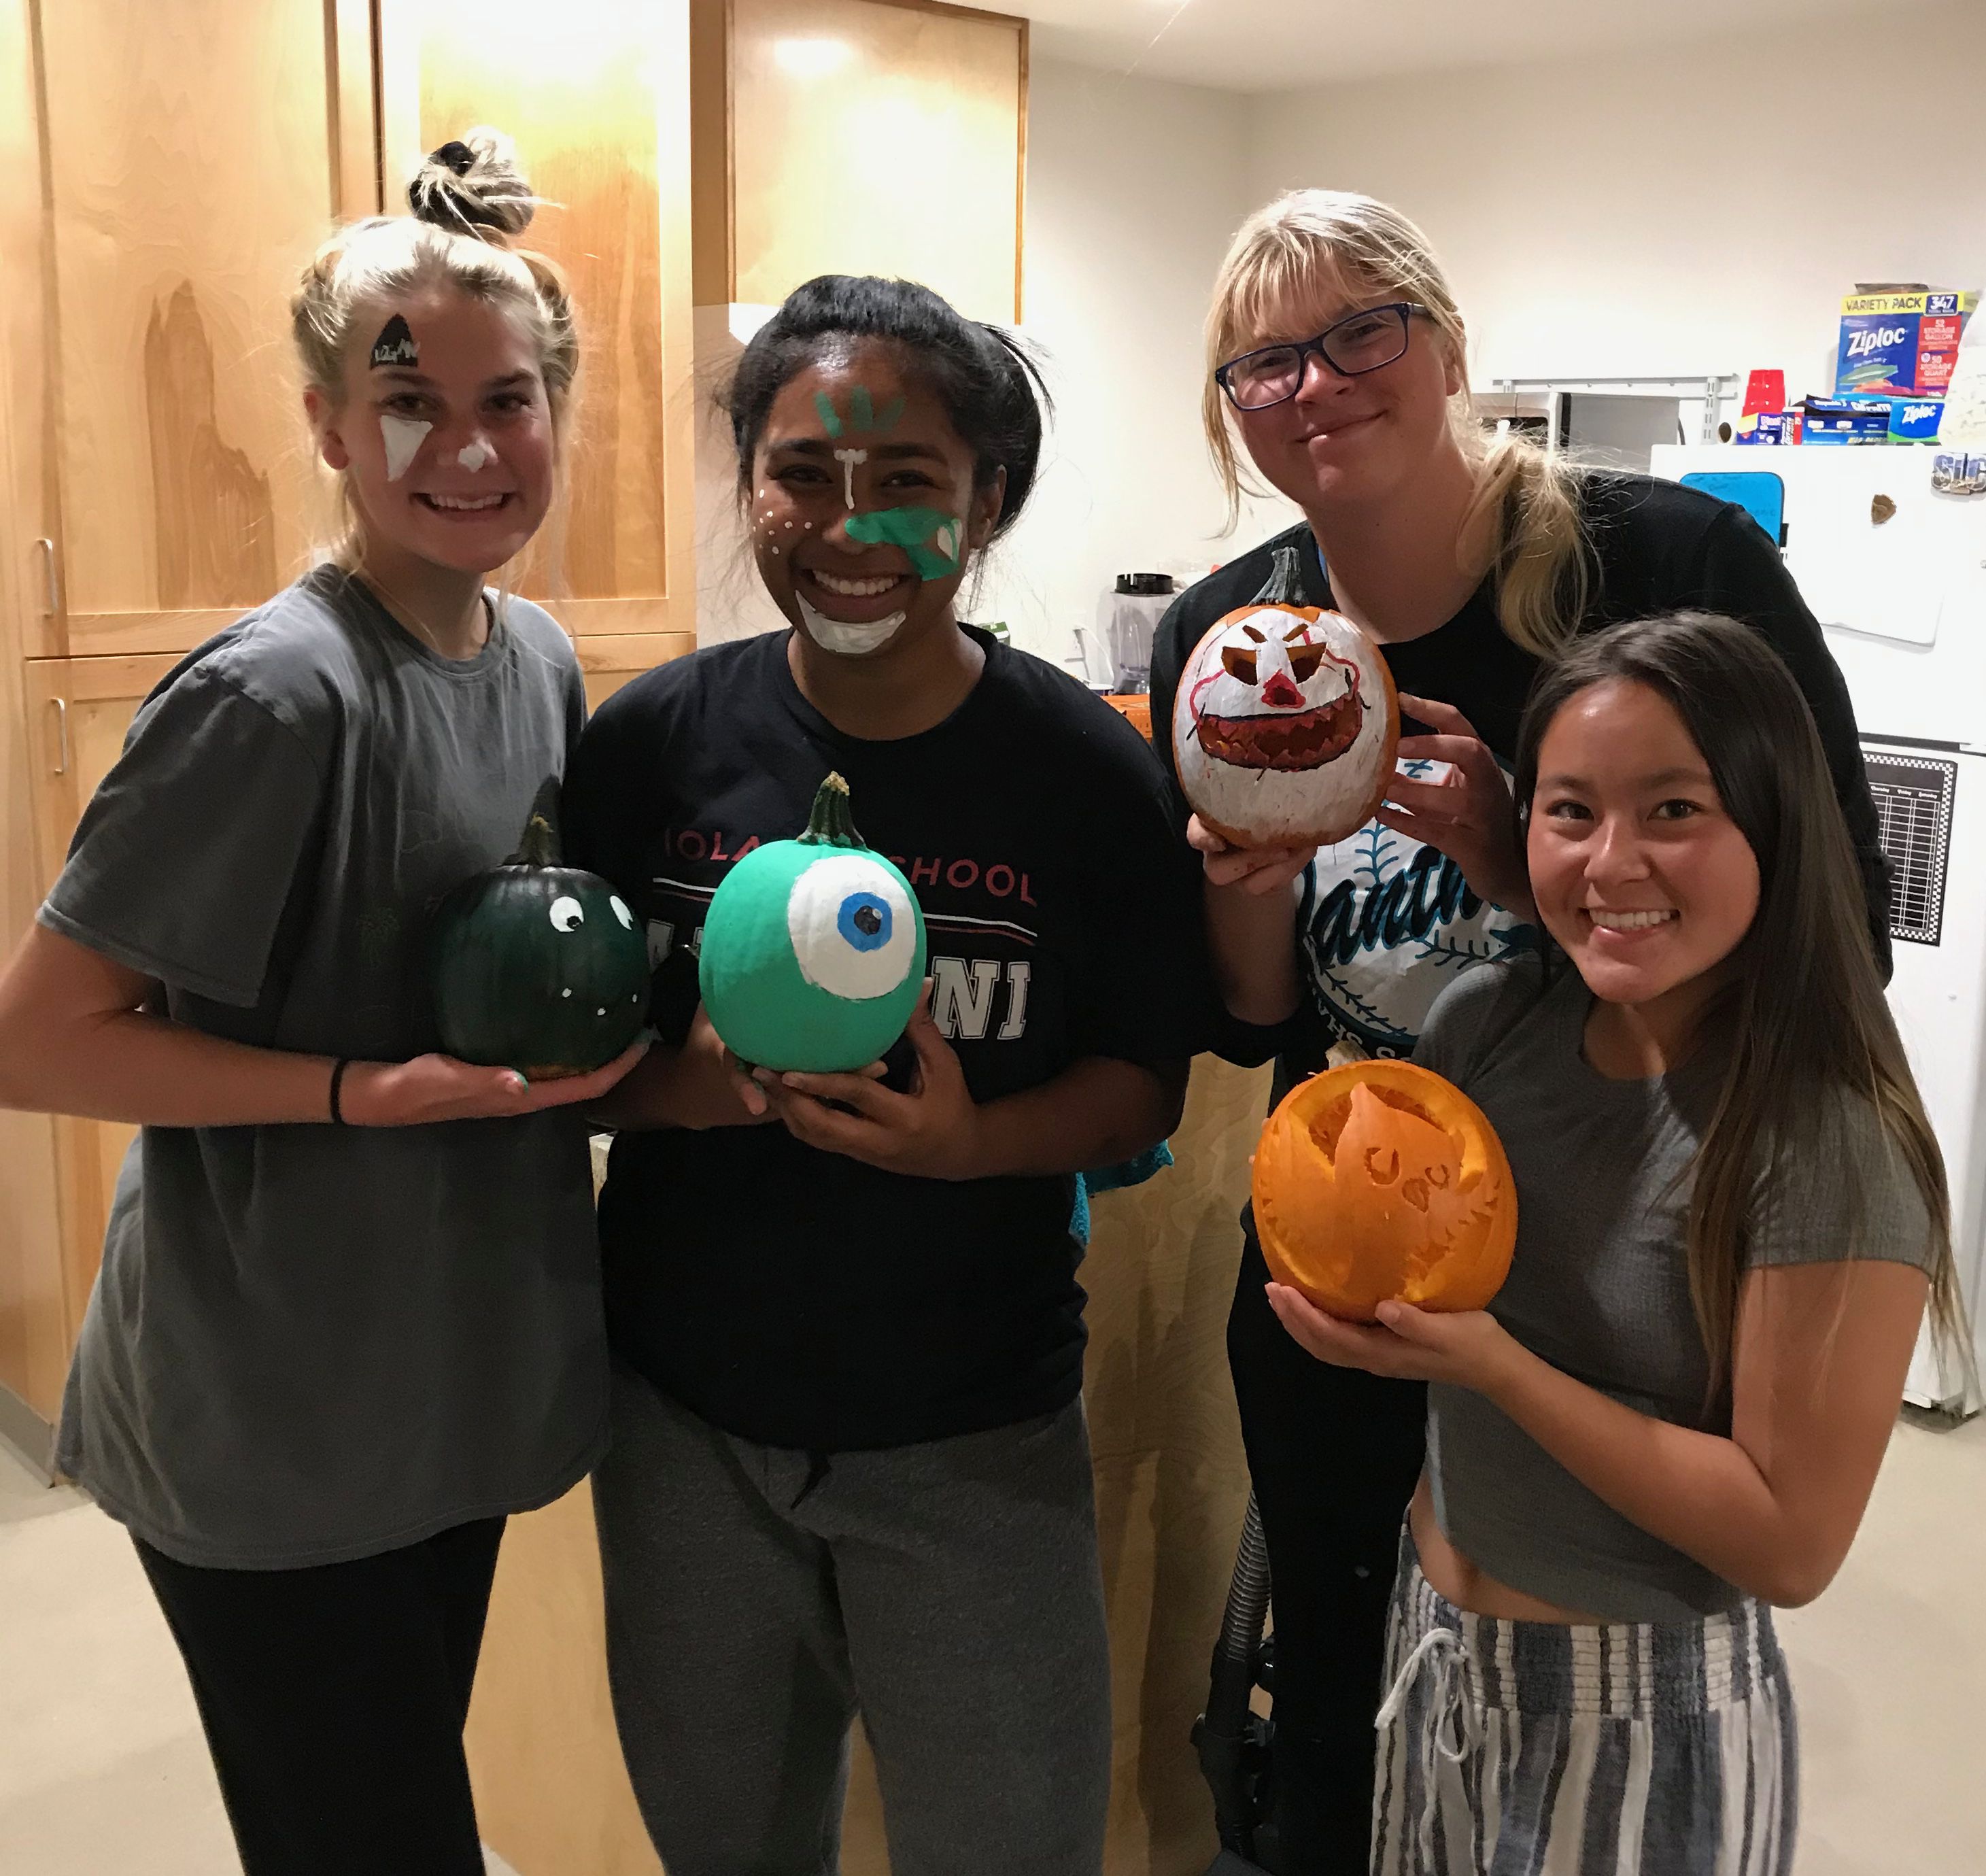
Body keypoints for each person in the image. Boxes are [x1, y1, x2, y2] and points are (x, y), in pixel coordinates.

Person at [1146, 190, 1892, 1873]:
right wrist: (1244, 877)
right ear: (1226, 411)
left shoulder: (1664, 562)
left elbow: (1818, 893)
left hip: (1599, 1248)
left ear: (1447, 341)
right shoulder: (1226, 645)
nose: (1314, 383)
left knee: (1600, 1658)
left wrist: (1517, 866)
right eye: (1260, 362)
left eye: (1359, 331)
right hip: (1349, 1232)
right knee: (1347, 1681)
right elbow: (1258, 1011)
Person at [0, 131, 642, 1876]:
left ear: (557, 414)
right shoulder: (276, 696)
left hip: (429, 1395)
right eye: (405, 398)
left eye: (507, 398)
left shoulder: (537, 660)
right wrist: (364, 1090)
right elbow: (36, 1037)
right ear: (326, 425)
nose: (466, 446)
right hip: (271, 1424)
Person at [560, 273, 1209, 1876]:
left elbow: (1139, 1093)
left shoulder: (1087, 780)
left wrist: (968, 1142)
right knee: (723, 1840)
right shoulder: (646, 748)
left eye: (906, 480)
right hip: (682, 1427)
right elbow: (557, 1068)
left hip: (970, 1437)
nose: (847, 524)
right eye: (800, 472)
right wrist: (678, 1091)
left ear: (986, 503)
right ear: (749, 485)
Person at [1265, 611, 1969, 1873]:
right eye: (1571, 811)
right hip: (1432, 1651)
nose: (1611, 863)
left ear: (1775, 823)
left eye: (1676, 811)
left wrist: (1490, 1365)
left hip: (1643, 1714)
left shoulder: (1823, 1134)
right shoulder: (1491, 1024)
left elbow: (1788, 1539)